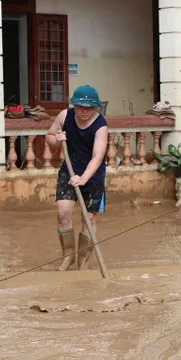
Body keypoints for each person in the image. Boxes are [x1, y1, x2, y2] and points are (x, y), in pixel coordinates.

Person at [46, 85, 108, 271]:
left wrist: (83, 179)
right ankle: (68, 257)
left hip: (93, 176)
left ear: (95, 107)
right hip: (69, 170)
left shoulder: (101, 126)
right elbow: (49, 136)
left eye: (89, 108)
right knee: (63, 213)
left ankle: (84, 262)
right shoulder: (64, 116)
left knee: (88, 218)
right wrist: (58, 139)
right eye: (81, 107)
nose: (84, 111)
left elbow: (97, 157)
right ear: (74, 105)